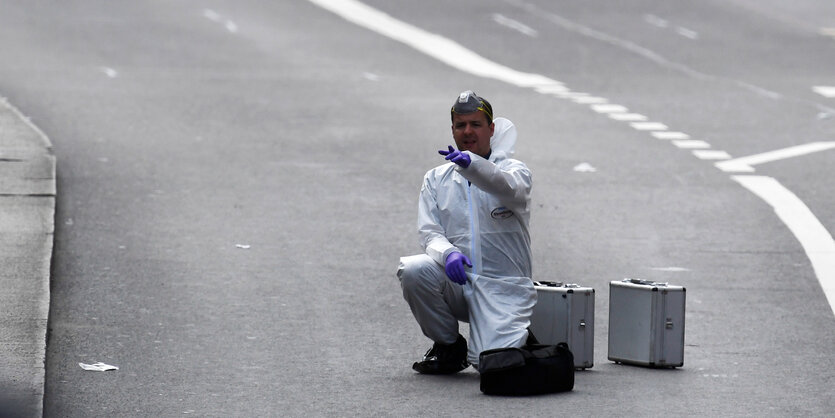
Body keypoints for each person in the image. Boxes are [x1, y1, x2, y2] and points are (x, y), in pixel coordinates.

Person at [397, 90, 536, 374]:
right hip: (458, 284)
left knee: (491, 366)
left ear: (491, 129)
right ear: (452, 130)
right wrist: (447, 254)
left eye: (476, 124)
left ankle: (515, 334)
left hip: (502, 289)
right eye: (461, 125)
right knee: (414, 270)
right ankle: (449, 346)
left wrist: (471, 165)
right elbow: (429, 232)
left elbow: (506, 187)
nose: (468, 131)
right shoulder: (436, 178)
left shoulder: (514, 171)